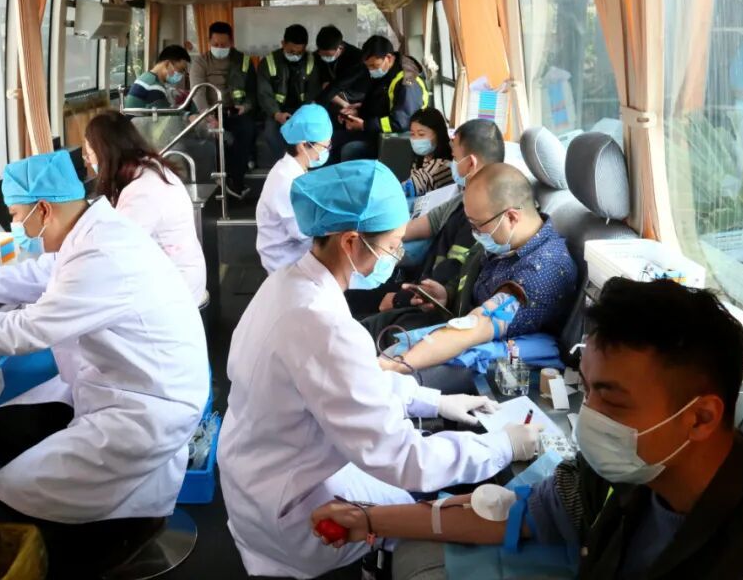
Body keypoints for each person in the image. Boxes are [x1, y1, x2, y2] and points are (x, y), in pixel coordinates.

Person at [313, 279, 743, 580]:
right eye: (587, 389)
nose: (591, 415)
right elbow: (512, 513)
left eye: (611, 397)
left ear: (700, 418)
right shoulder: (632, 468)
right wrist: (369, 518)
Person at [217, 160, 543, 579]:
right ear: (351, 242)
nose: (396, 256)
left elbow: (353, 384)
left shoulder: (286, 283)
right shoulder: (322, 326)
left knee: (404, 501)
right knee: (415, 514)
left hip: (260, 475)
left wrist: (435, 401)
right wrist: (501, 446)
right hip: (290, 508)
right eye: (392, 246)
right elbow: (403, 458)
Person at [0, 151, 209, 569]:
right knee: (0, 430)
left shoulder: (101, 253)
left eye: (16, 215)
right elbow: (33, 275)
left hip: (147, 407)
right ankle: (110, 525)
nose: (16, 227)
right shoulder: (94, 233)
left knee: (11, 494)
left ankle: (102, 545)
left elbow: (29, 330)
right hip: (130, 386)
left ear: (43, 209)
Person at [379, 163, 577, 376]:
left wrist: (397, 365)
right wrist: (448, 295)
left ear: (511, 217)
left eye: (477, 225)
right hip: (458, 322)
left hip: (493, 363)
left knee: (391, 359)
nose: (474, 233)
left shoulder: (540, 271)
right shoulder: (508, 241)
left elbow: (473, 328)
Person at [348, 118, 504, 327]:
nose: (452, 163)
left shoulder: (480, 218)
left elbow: (447, 281)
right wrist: (373, 235)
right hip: (420, 286)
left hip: (428, 302)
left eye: (455, 157)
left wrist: (399, 300)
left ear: (470, 163)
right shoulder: (462, 199)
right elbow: (429, 222)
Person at [84, 110, 207, 303]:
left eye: (90, 154)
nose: (89, 162)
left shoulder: (142, 191)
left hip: (176, 287)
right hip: (180, 274)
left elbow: (118, 250)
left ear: (105, 153)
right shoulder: (148, 169)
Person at [255, 103, 333, 273]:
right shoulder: (286, 181)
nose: (326, 152)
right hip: (286, 265)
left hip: (296, 256)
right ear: (303, 145)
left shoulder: (293, 169)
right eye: (324, 147)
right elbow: (304, 232)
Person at [188, 21, 257, 199]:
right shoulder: (200, 63)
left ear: (231, 42)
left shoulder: (243, 61)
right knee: (216, 134)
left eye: (224, 45)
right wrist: (209, 117)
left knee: (246, 129)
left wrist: (245, 106)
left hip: (236, 111)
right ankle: (221, 179)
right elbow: (198, 93)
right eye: (216, 44)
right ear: (209, 42)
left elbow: (252, 91)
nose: (219, 48)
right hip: (210, 112)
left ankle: (236, 180)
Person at [338, 35, 429, 162]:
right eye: (368, 67)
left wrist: (364, 125)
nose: (371, 70)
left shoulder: (408, 83)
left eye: (374, 66)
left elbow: (400, 123)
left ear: (389, 58)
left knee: (349, 150)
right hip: (379, 132)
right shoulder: (387, 73)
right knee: (336, 138)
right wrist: (358, 111)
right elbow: (379, 102)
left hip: (396, 140)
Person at [257, 24, 321, 160]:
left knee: (311, 134)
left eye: (299, 52)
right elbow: (264, 93)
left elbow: (313, 91)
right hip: (277, 111)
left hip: (302, 110)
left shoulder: (311, 61)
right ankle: (283, 163)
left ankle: (304, 164)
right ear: (283, 44)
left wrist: (302, 114)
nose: (295, 55)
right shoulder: (268, 62)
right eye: (291, 51)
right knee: (271, 134)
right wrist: (277, 114)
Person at [313, 24, 368, 130]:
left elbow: (339, 84)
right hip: (332, 94)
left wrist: (317, 103)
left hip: (355, 94)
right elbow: (324, 82)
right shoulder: (317, 56)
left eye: (328, 55)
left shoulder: (356, 58)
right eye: (322, 55)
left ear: (340, 48)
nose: (325, 58)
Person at [404, 107, 453, 197]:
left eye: (421, 134)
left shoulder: (442, 166)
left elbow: (411, 186)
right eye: (412, 134)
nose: (415, 139)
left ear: (438, 134)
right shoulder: (422, 157)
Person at [126, 44, 191, 110]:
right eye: (181, 70)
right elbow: (164, 115)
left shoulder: (146, 77)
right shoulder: (154, 86)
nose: (182, 75)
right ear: (167, 64)